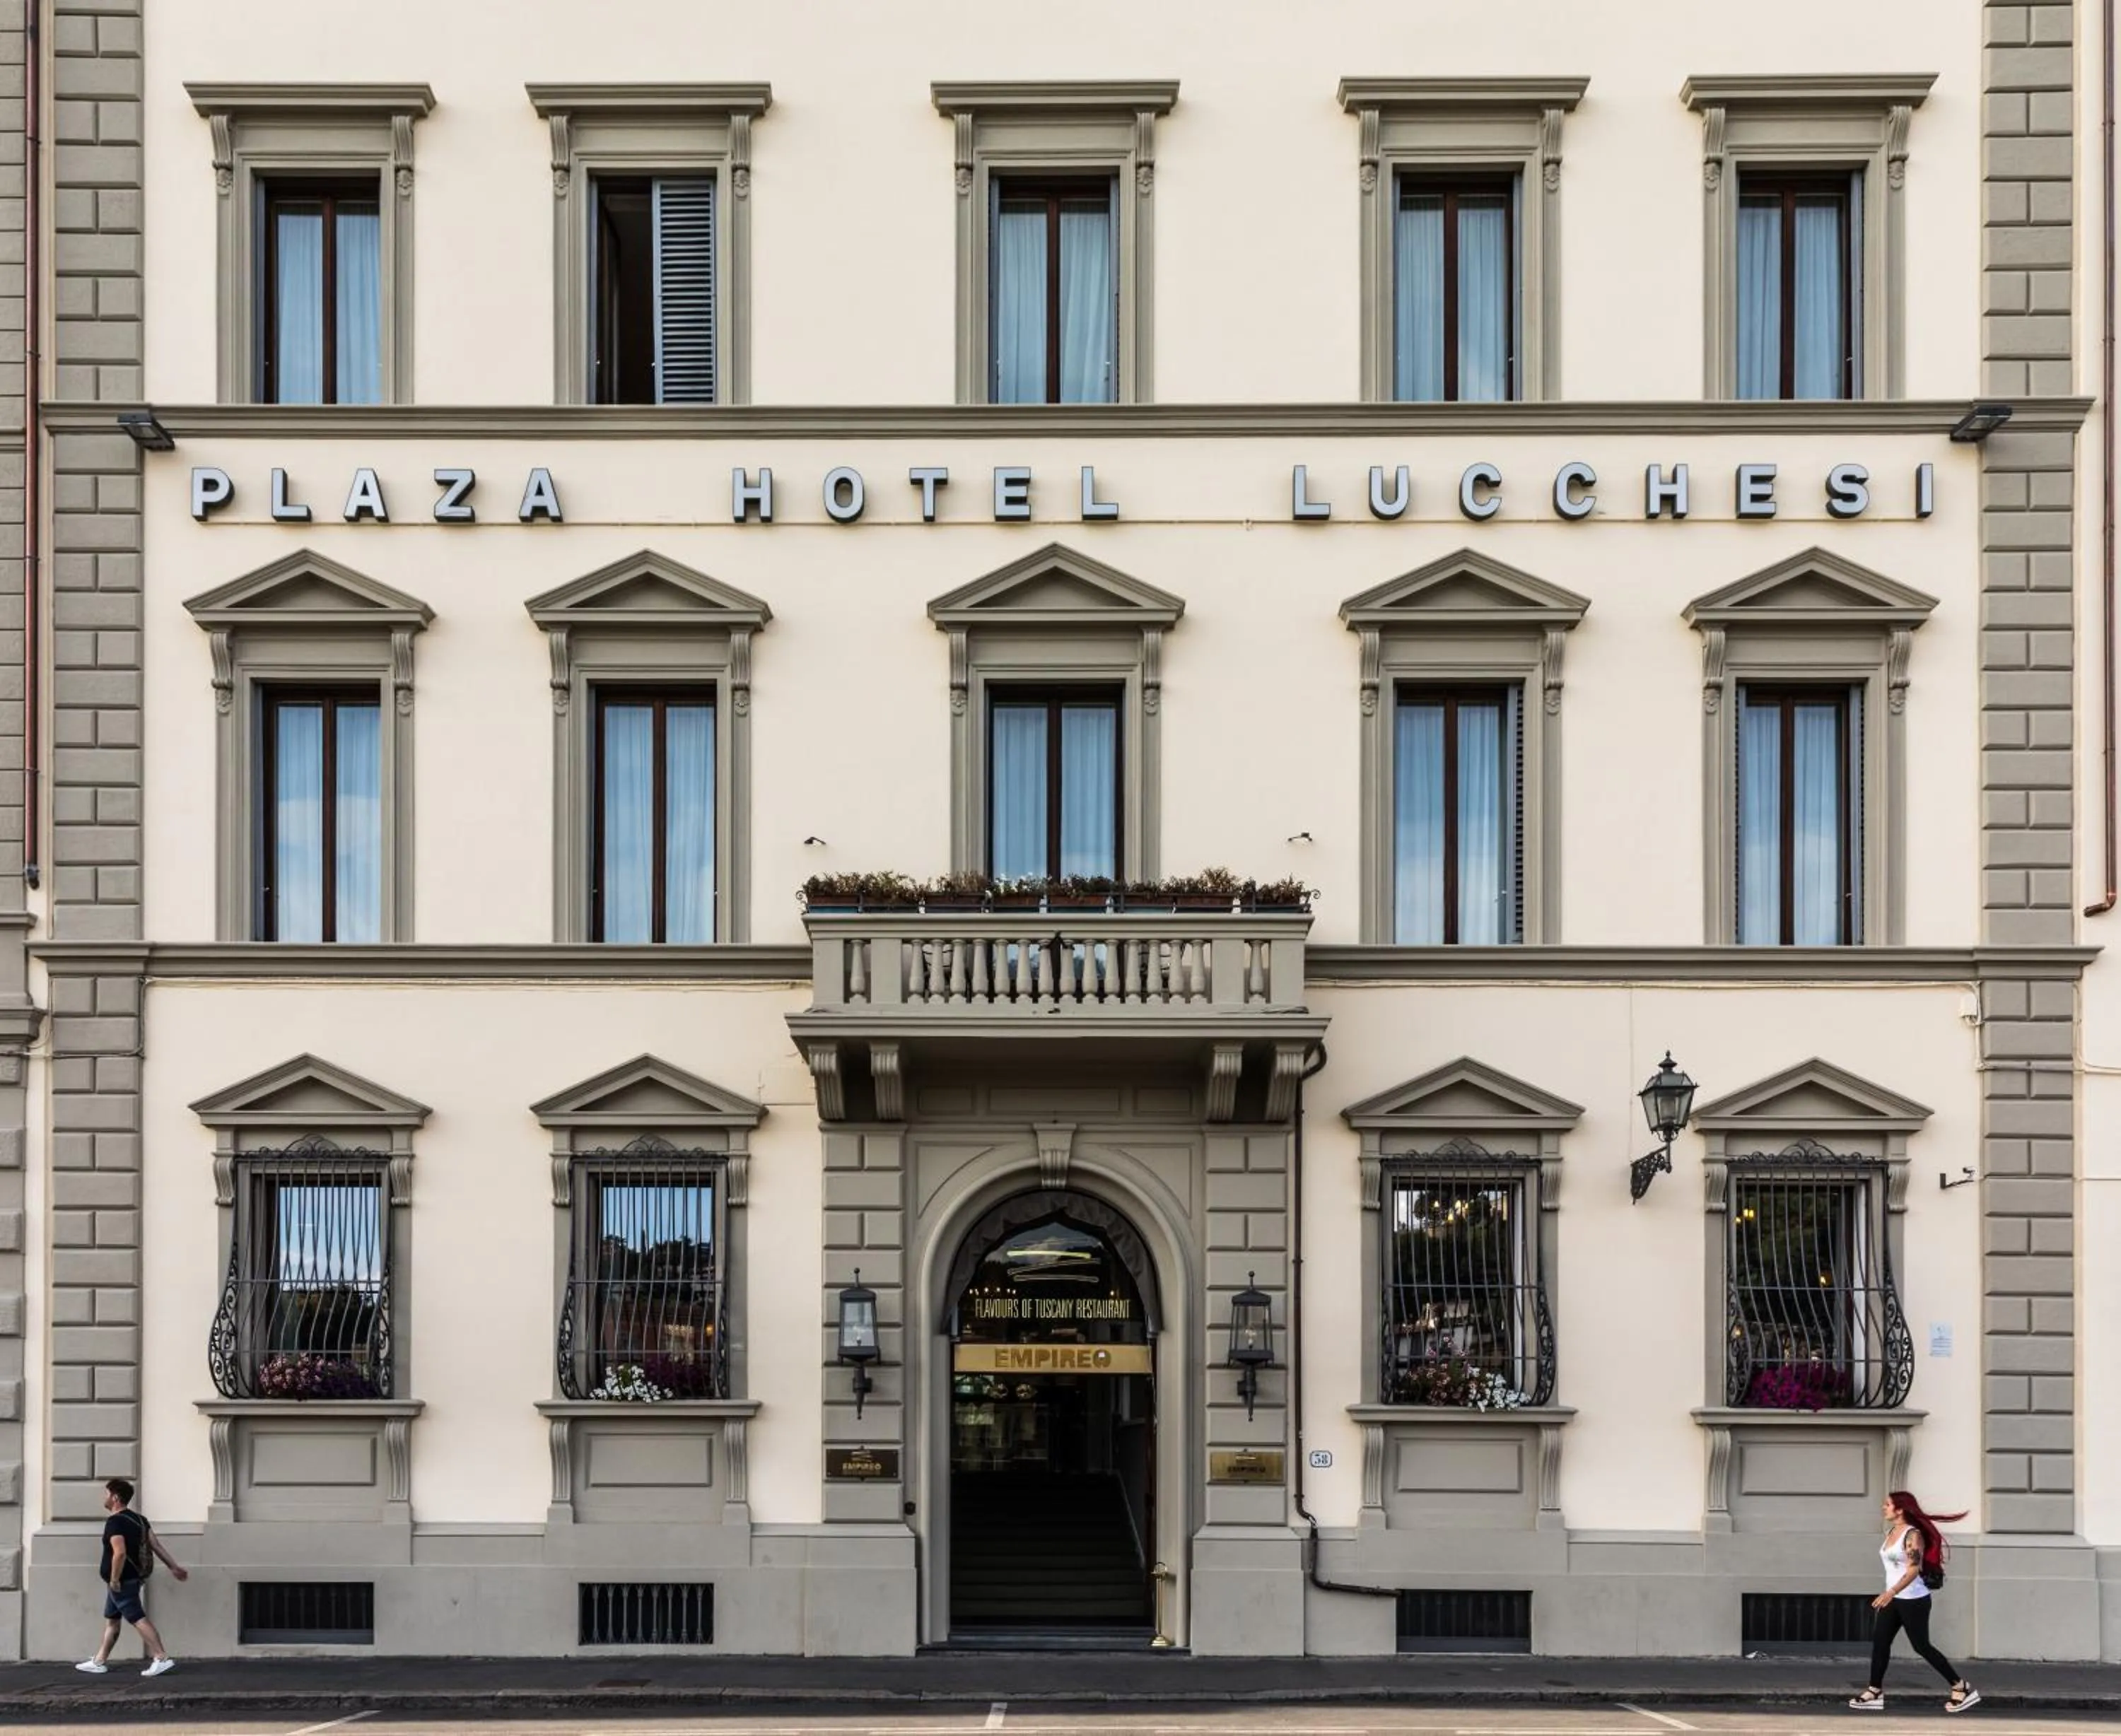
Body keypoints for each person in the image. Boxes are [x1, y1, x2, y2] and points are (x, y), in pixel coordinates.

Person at [1848, 1489, 1978, 1713]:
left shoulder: (1912, 1535)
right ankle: (1874, 1691)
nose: (1883, 1508)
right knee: (1880, 1643)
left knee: (1922, 1646)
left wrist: (1890, 1592)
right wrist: (1891, 1594)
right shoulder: (1892, 1531)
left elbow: (1913, 1570)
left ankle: (1961, 1687)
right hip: (1895, 1598)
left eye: (1887, 1505)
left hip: (1913, 1599)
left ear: (1900, 1509)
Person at [76, 1477, 187, 1677]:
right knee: (113, 1620)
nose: (104, 1497)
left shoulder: (115, 1522)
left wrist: (115, 1580)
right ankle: (99, 1661)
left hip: (122, 1581)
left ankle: (161, 1657)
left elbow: (120, 1553)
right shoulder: (140, 1520)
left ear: (115, 1497)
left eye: (107, 1493)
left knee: (137, 1618)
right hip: (129, 1579)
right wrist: (174, 1567)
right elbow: (156, 1546)